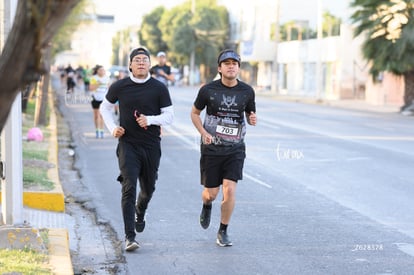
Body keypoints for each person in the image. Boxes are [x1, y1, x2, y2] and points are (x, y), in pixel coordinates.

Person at [100, 47, 174, 252]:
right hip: (127, 144)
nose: (141, 62)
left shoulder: (159, 88)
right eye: (137, 60)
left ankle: (140, 210)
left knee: (148, 189)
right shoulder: (120, 86)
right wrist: (113, 127)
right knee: (129, 185)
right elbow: (104, 107)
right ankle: (129, 237)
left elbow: (169, 117)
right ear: (130, 65)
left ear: (150, 64)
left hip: (151, 146)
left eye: (145, 60)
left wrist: (150, 120)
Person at [190, 49, 257, 247]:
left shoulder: (247, 91)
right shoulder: (208, 90)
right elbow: (194, 113)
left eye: (234, 63)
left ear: (238, 68)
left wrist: (252, 119)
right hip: (212, 147)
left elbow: (250, 115)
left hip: (235, 148)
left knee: (230, 189)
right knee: (212, 193)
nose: (230, 66)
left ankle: (223, 230)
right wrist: (204, 133)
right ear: (220, 68)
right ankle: (206, 203)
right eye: (226, 63)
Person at [89, 65, 110, 138]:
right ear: (97, 71)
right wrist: (98, 84)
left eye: (103, 70)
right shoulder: (94, 78)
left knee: (101, 115)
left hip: (104, 99)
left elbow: (109, 88)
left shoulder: (107, 78)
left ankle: (101, 131)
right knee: (96, 115)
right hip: (95, 98)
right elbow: (91, 88)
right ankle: (97, 130)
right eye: (100, 70)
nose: (102, 71)